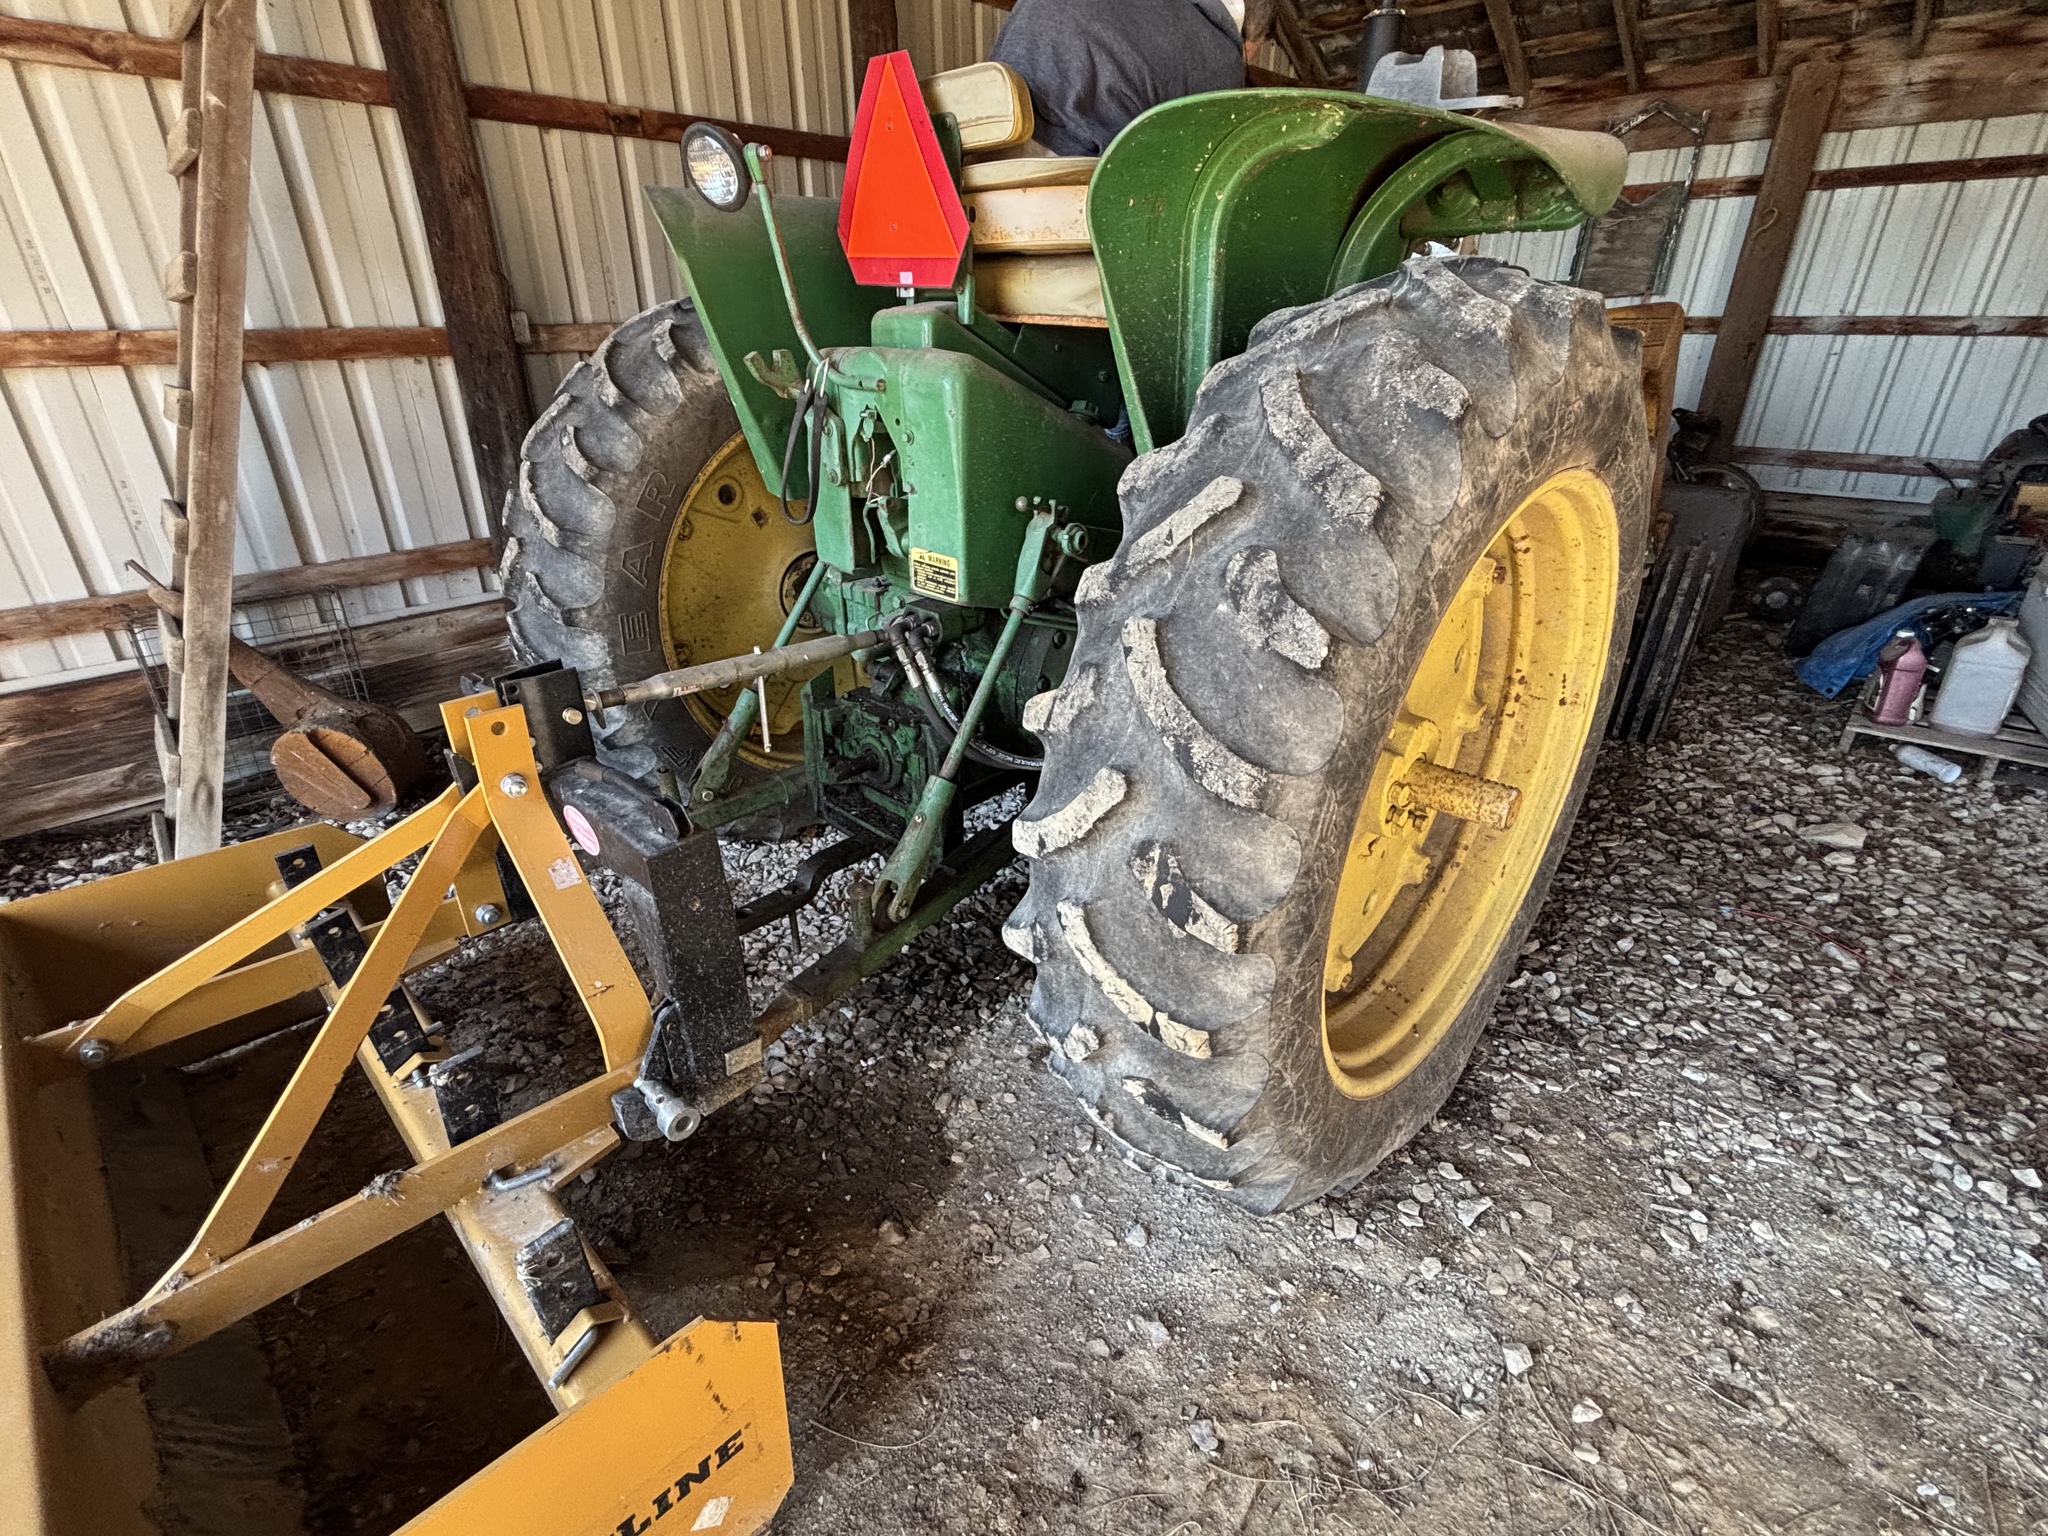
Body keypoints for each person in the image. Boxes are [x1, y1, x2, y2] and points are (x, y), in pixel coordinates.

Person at [989, 0, 1275, 159]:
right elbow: (1204, 169)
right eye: (1249, 54)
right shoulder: (1219, 53)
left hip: (979, 142)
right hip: (1053, 173)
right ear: (1248, 32)